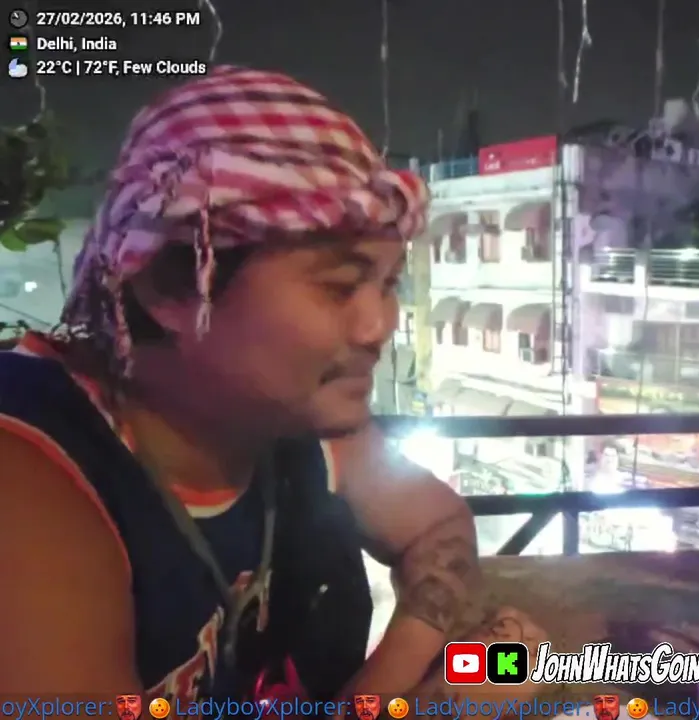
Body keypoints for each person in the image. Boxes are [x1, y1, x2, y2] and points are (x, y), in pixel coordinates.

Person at [0, 67, 546, 713]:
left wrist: (384, 683)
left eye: (389, 284)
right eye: (340, 286)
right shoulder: (34, 474)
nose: (379, 326)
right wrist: (443, 703)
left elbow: (437, 522)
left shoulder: (288, 419)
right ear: (174, 285)